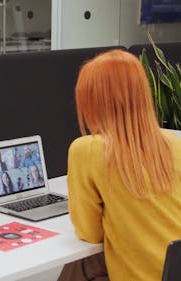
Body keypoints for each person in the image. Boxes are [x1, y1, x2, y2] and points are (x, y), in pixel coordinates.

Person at [58, 49, 181, 281]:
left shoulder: (88, 150)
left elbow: (89, 233)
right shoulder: (174, 144)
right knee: (84, 267)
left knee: (79, 266)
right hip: (174, 270)